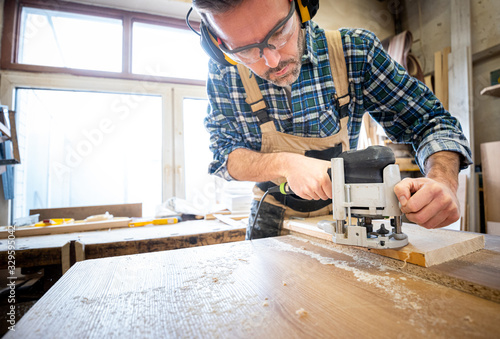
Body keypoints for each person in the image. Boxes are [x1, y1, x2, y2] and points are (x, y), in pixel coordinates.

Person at [189, 0, 472, 239]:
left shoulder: (355, 51)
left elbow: (431, 121)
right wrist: (285, 164)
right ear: (218, 44)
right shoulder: (225, 72)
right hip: (270, 215)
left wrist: (442, 180)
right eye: (246, 50)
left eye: (279, 32)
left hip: (347, 210)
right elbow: (224, 155)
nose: (272, 61)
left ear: (301, 6)